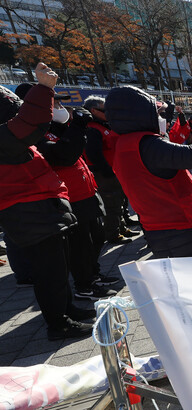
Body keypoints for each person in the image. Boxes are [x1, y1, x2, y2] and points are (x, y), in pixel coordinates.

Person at [0, 63, 94, 340]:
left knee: (58, 268)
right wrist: (43, 88)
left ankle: (66, 310)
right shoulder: (7, 135)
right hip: (29, 212)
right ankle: (58, 323)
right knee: (48, 272)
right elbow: (29, 122)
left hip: (40, 209)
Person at [15, 83, 118, 300]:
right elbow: (63, 155)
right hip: (70, 197)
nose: (62, 107)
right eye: (55, 103)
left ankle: (94, 273)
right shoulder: (36, 134)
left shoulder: (60, 127)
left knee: (96, 236)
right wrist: (77, 127)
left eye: (61, 102)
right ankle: (85, 285)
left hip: (87, 191)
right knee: (81, 245)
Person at [105, 86, 192, 258]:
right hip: (183, 230)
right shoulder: (148, 143)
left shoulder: (123, 145)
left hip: (159, 229)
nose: (161, 118)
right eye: (158, 113)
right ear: (141, 113)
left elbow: (155, 184)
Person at [84, 95, 136, 244]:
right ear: (93, 110)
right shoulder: (92, 129)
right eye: (104, 110)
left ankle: (121, 227)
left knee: (119, 201)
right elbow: (94, 154)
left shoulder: (104, 125)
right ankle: (113, 234)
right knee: (111, 203)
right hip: (105, 173)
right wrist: (107, 172)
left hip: (115, 171)